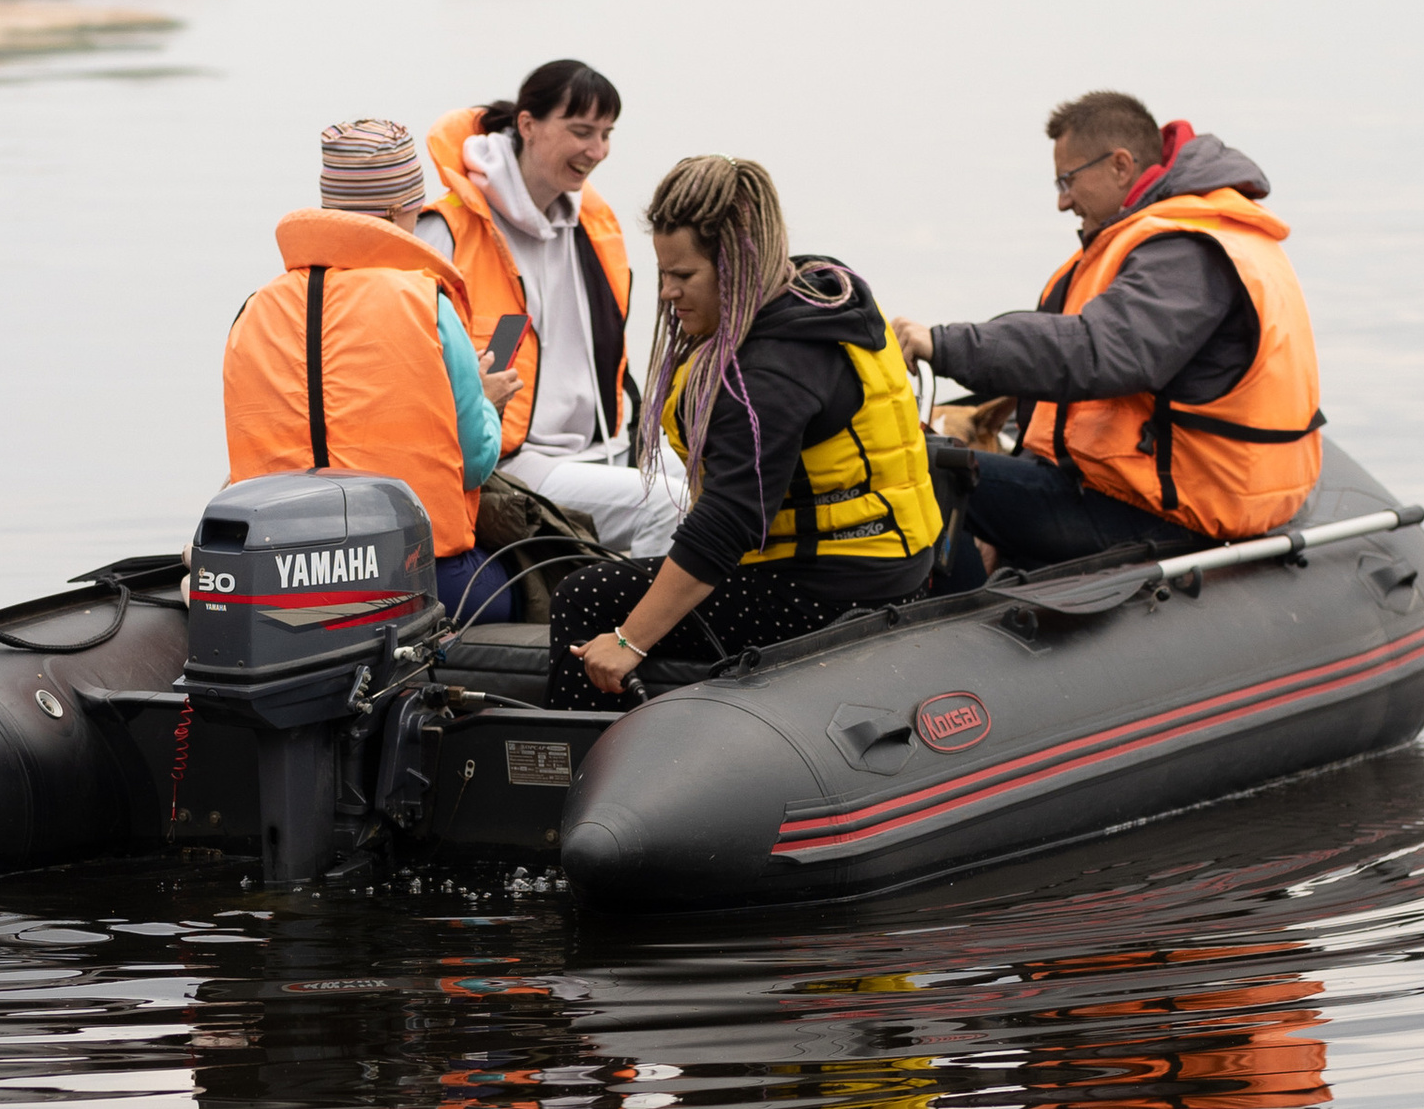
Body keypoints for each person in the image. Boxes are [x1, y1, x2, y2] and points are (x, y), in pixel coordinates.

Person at [548, 156, 941, 712]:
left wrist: (630, 640)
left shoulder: (766, 373)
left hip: (832, 595)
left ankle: (572, 780)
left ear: (736, 266)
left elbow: (726, 524)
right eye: (663, 274)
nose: (666, 293)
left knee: (585, 597)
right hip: (895, 570)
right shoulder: (818, 299)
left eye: (683, 276)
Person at [895, 92, 1322, 575]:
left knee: (923, 470)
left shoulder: (1184, 251)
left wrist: (944, 344)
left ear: (1120, 165)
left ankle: (952, 621)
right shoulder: (1196, 230)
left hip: (1164, 511)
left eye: (1067, 179)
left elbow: (1100, 351)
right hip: (1149, 489)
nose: (1063, 201)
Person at [223, 119, 521, 623]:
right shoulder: (426, 303)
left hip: (280, 574)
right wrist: (486, 407)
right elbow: (472, 463)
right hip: (408, 573)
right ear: (396, 210)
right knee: (515, 585)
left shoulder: (256, 308)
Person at [420, 60, 684, 557]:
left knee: (720, 486)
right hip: (512, 459)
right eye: (581, 131)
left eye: (606, 134)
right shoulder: (446, 231)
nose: (597, 151)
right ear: (528, 125)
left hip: (605, 444)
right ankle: (634, 633)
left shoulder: (590, 225)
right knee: (670, 504)